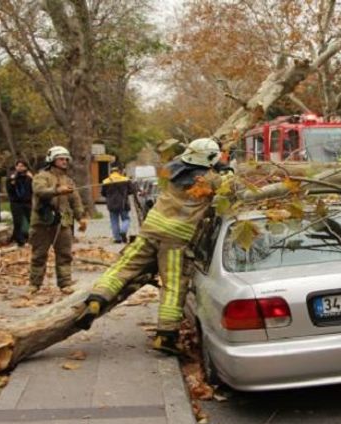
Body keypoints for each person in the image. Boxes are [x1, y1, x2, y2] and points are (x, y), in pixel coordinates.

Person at [75, 138, 228, 355]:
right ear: (211, 160)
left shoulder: (172, 170)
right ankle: (166, 336)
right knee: (174, 285)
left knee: (123, 267)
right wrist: (223, 168)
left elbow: (182, 161)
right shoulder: (212, 180)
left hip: (151, 228)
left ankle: (96, 299)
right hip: (176, 239)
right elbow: (231, 190)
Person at [28, 146, 88, 295]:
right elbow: (40, 191)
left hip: (65, 218)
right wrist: (56, 190)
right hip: (43, 219)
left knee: (65, 253)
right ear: (52, 160)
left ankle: (65, 283)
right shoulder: (41, 176)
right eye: (61, 159)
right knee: (39, 254)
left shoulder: (68, 180)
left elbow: (75, 200)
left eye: (66, 159)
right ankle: (34, 284)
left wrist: (81, 217)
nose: (65, 161)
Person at [101, 165, 135, 243]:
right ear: (119, 172)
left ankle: (117, 239)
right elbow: (132, 190)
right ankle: (123, 230)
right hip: (123, 204)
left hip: (111, 205)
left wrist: (110, 195)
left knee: (114, 221)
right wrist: (125, 193)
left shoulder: (106, 181)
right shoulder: (125, 179)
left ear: (111, 172)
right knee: (126, 219)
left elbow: (103, 193)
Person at [6, 160, 33, 247]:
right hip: (16, 202)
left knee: (31, 220)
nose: (19, 168)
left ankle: (32, 237)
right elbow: (9, 189)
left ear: (26, 167)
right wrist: (12, 182)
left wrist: (32, 179)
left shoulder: (29, 178)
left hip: (27, 202)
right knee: (17, 221)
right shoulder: (12, 177)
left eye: (22, 166)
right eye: (18, 166)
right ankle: (20, 240)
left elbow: (34, 189)